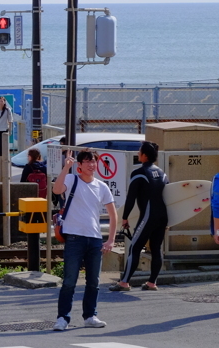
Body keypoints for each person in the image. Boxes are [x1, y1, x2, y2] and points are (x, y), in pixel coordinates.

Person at [52, 150, 118, 330]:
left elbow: (113, 215)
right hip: (74, 238)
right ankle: (63, 318)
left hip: (95, 238)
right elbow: (56, 190)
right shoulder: (72, 179)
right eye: (87, 161)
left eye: (93, 161)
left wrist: (110, 240)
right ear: (79, 165)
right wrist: (66, 167)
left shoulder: (101, 186)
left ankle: (90, 316)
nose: (91, 164)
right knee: (69, 280)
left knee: (94, 281)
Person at [111, 141, 169, 292]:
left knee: (135, 248)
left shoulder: (138, 173)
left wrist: (125, 218)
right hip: (163, 216)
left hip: (148, 216)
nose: (138, 153)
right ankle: (152, 283)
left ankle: (124, 283)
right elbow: (169, 196)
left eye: (139, 151)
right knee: (156, 249)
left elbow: (131, 198)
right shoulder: (162, 173)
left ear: (144, 155)